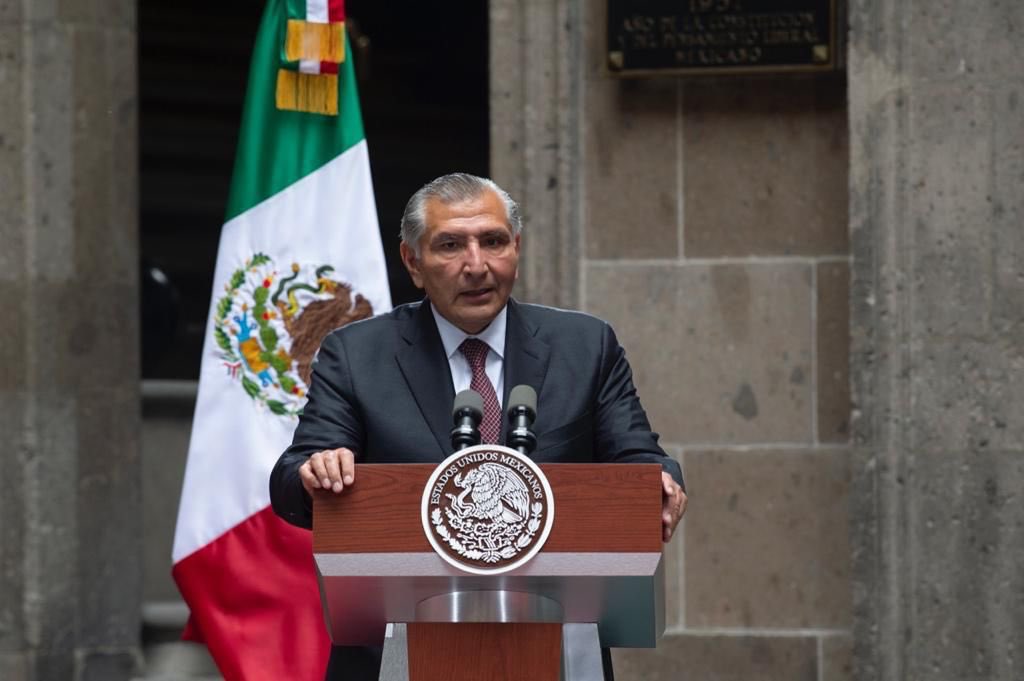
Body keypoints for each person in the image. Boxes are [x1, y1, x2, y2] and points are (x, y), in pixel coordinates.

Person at [270, 172, 687, 681]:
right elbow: (291, 478)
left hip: (556, 647)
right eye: (450, 245)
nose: (476, 266)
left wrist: (662, 482)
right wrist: (317, 471)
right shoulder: (357, 355)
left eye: (492, 242)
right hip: (398, 652)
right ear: (412, 262)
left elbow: (639, 461)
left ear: (516, 248)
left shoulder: (586, 346)